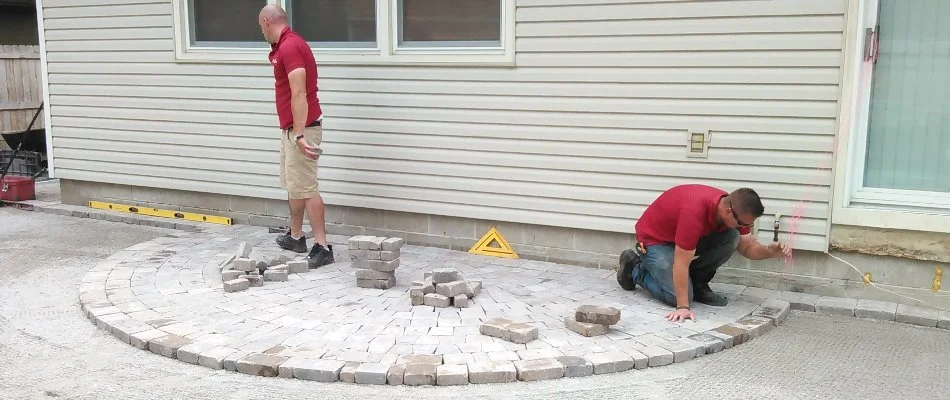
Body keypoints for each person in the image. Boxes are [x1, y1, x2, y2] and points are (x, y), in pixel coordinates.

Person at [617, 184, 790, 322]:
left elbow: (747, 246)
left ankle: (698, 283)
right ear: (728, 211)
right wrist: (683, 307)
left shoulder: (734, 209)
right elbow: (681, 262)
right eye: (742, 223)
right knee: (676, 296)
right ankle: (635, 268)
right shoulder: (694, 213)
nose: (743, 226)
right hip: (655, 240)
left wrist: (769, 251)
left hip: (681, 238)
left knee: (732, 236)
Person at [258, 4, 333, 268]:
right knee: (295, 184)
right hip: (292, 129)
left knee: (307, 187)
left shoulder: (290, 47)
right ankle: (296, 236)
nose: (262, 32)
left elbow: (299, 92)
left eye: (261, 27)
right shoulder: (284, 46)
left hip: (302, 129)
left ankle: (323, 246)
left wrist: (300, 134)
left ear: (267, 22)